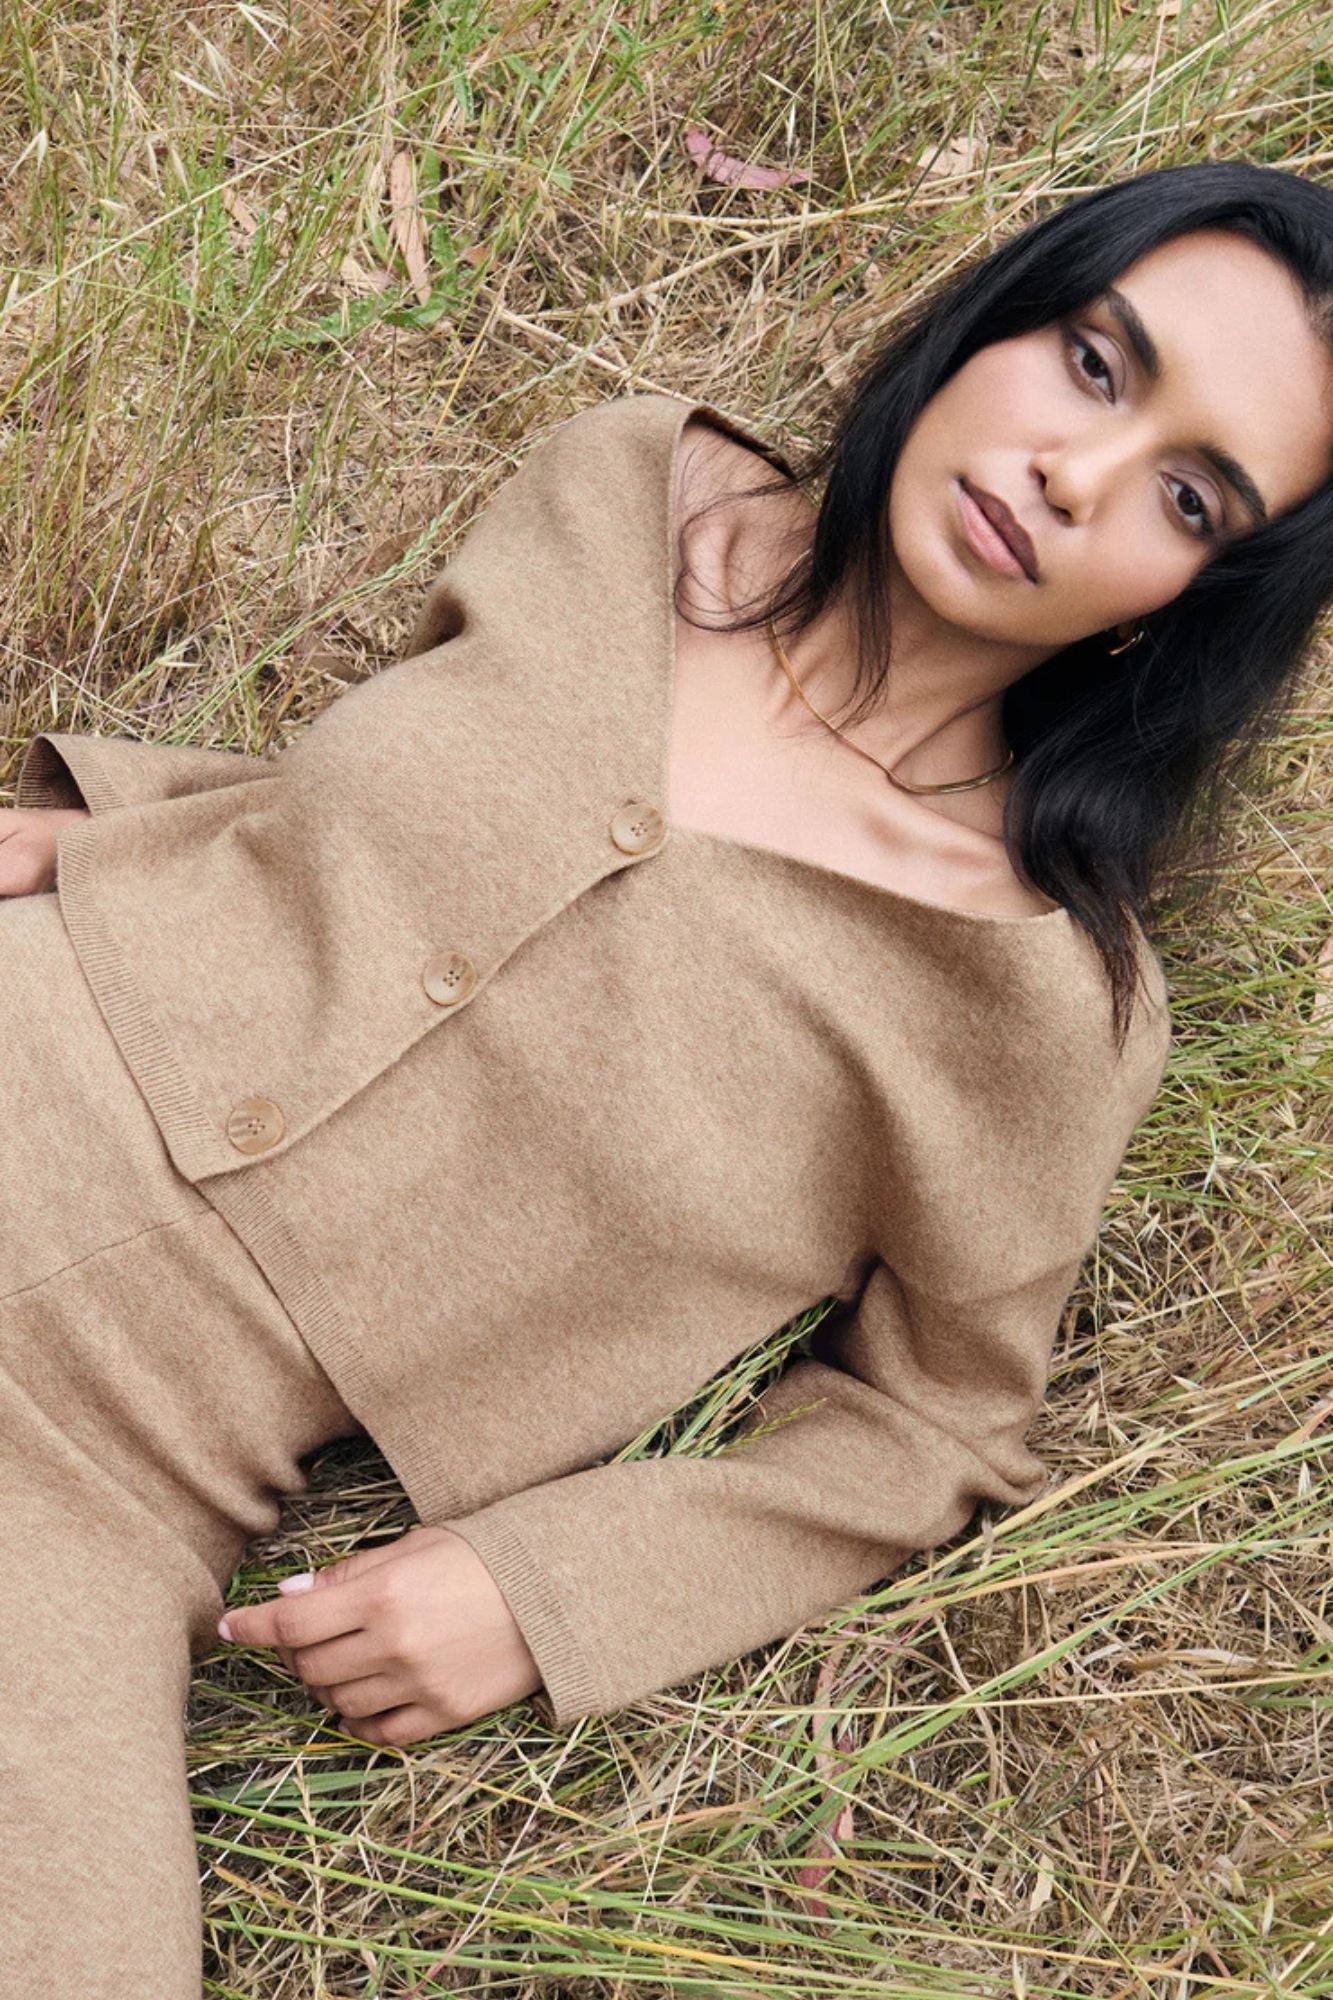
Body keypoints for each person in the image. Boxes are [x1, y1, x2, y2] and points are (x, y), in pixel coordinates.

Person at [3, 157, 1332, 1996]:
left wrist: (547, 1591)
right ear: (991, 327)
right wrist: (131, 829)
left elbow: (935, 1427)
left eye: (1186, 495)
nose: (1070, 473)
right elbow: (392, 792)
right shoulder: (641, 493)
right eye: (1093, 363)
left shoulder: (1036, 1005)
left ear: (1197, 594)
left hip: (97, 1476)